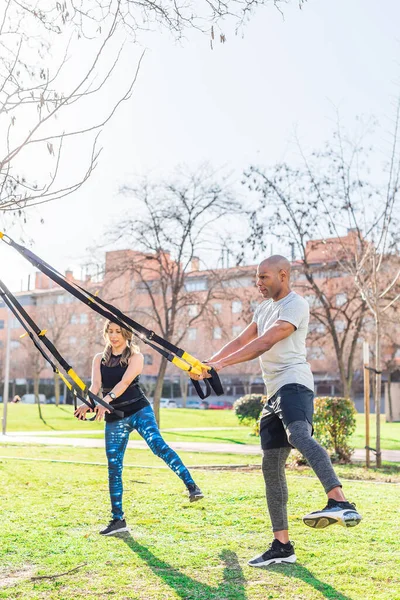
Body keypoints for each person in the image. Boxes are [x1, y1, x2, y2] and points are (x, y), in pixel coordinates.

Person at [193, 255, 361, 567]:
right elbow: (244, 339)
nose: (258, 283)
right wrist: (207, 363)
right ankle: (282, 545)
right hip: (273, 394)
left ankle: (339, 501)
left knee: (299, 435)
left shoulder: (296, 304)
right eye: (256, 277)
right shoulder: (263, 308)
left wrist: (220, 365)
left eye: (264, 277)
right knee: (271, 466)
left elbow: (266, 342)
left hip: (294, 383)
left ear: (283, 275)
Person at [74, 320, 203, 536]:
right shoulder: (99, 359)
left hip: (139, 411)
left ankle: (192, 486)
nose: (113, 336)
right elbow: (95, 387)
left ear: (127, 335)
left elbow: (123, 384)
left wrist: (104, 402)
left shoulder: (136, 357)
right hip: (115, 417)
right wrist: (88, 404)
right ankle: (118, 519)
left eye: (118, 332)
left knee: (158, 446)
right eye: (110, 331)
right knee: (114, 466)